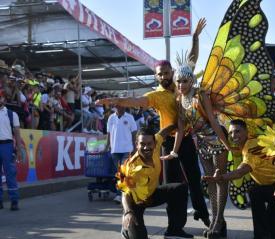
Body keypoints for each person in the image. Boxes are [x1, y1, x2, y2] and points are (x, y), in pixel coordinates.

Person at [96, 18, 210, 227]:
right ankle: (174, 227)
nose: (164, 76)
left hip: (186, 140)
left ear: (172, 73)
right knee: (172, 185)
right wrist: (114, 100)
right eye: (161, 74)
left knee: (194, 180)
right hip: (168, 143)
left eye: (167, 73)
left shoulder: (180, 84)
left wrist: (194, 38)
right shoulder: (156, 96)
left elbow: (191, 61)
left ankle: (204, 215)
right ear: (156, 76)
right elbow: (137, 101)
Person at [160, 62, 232, 238]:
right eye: (178, 81)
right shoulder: (179, 99)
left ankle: (218, 222)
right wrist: (174, 152)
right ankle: (216, 221)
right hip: (201, 144)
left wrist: (228, 145)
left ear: (191, 80)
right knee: (210, 182)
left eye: (184, 81)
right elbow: (180, 127)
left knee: (220, 180)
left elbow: (214, 123)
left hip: (216, 140)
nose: (180, 85)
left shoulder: (200, 95)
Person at [203, 119, 275, 239]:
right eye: (231, 133)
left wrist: (221, 177)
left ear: (246, 131)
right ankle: (262, 235)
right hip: (269, 189)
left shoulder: (251, 146)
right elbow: (243, 166)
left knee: (271, 228)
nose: (233, 135)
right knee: (269, 227)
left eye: (237, 131)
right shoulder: (249, 144)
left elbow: (241, 171)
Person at [119, 126, 193, 239]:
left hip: (152, 194)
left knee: (180, 189)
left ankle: (174, 231)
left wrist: (179, 122)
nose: (146, 147)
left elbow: (164, 131)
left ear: (155, 143)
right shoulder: (132, 166)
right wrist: (128, 212)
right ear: (136, 144)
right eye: (142, 144)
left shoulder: (157, 143)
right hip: (135, 202)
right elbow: (125, 193)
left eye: (149, 143)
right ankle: (126, 228)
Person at [105, 104, 137, 203]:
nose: (120, 107)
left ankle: (120, 195)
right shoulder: (111, 118)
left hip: (127, 149)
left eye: (122, 106)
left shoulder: (130, 117)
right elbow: (109, 133)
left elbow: (134, 132)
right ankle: (126, 193)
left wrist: (134, 147)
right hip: (115, 149)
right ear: (116, 107)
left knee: (123, 172)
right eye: (118, 106)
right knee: (120, 173)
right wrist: (107, 146)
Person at [0, 89, 23, 211]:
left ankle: (14, 200)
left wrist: (18, 150)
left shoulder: (11, 114)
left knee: (10, 174)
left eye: (0, 97)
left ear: (3, 99)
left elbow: (17, 134)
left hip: (7, 146)